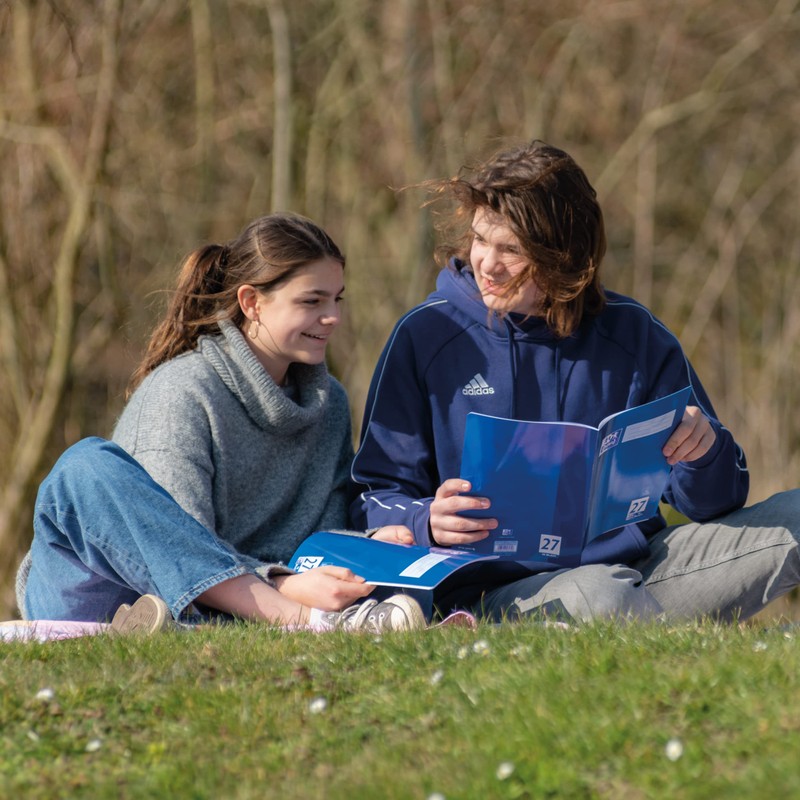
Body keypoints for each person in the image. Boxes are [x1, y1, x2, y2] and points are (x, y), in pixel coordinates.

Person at [350, 139, 800, 625]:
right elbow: (370, 499)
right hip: (494, 595)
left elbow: (718, 503)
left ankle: (641, 627)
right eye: (480, 240)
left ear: (562, 254)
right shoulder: (426, 335)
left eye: (511, 250)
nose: (487, 264)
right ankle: (641, 634)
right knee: (600, 594)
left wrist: (704, 453)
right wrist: (426, 521)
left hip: (641, 571)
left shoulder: (635, 335)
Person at [16, 212, 424, 634]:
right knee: (84, 466)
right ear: (251, 303)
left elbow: (316, 541)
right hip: (110, 592)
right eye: (312, 301)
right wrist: (282, 584)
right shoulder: (181, 392)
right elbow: (175, 548)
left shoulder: (329, 403)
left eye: (337, 299)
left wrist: (363, 548)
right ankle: (304, 621)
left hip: (229, 602)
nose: (333, 316)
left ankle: (226, 623)